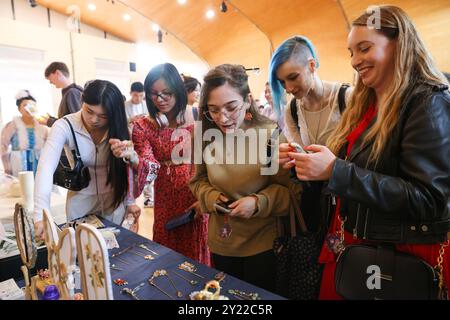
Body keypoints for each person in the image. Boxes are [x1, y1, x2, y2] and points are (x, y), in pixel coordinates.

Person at [283, 5, 450, 299]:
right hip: (358, 244)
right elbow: (357, 174)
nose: (355, 61)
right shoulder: (368, 102)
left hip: (398, 255)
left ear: (398, 43)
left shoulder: (427, 102)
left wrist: (336, 170)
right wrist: (307, 165)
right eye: (351, 52)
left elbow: (429, 198)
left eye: (364, 48)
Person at [189, 64, 299, 292]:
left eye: (231, 107)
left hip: (263, 245)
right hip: (221, 242)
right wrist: (212, 199)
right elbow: (198, 181)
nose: (223, 118)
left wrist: (258, 203)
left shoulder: (270, 135)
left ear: (248, 100)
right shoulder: (205, 136)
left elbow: (289, 192)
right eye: (214, 110)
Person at [110, 63, 210, 265]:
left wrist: (208, 197)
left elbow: (213, 159)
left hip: (198, 194)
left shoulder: (199, 116)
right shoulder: (143, 126)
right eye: (154, 94)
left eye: (166, 93)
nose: (160, 99)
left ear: (178, 91)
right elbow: (151, 167)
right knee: (168, 255)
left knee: (199, 255)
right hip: (166, 198)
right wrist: (134, 158)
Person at [34, 80, 140, 236]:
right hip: (80, 201)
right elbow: (45, 167)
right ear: (82, 100)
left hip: (115, 200)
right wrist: (40, 215)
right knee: (84, 253)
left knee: (116, 251)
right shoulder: (64, 126)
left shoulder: (118, 126)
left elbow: (131, 168)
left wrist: (131, 201)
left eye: (103, 116)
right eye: (89, 111)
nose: (94, 120)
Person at [273, 35, 353, 239]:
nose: (289, 88)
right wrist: (290, 156)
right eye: (282, 82)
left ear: (311, 65)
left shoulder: (348, 98)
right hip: (318, 204)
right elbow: (304, 162)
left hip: (349, 203)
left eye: (293, 77)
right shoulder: (292, 109)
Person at [1, 90, 48, 176]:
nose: (29, 107)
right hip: (18, 164)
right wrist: (7, 168)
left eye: (32, 105)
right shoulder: (12, 125)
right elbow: (3, 146)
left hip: (39, 163)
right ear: (19, 109)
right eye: (25, 105)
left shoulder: (42, 126)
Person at [41, 62, 83, 127]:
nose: (50, 82)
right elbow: (68, 119)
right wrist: (51, 119)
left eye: (50, 78)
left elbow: (77, 124)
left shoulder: (72, 93)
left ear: (57, 73)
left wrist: (49, 122)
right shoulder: (70, 92)